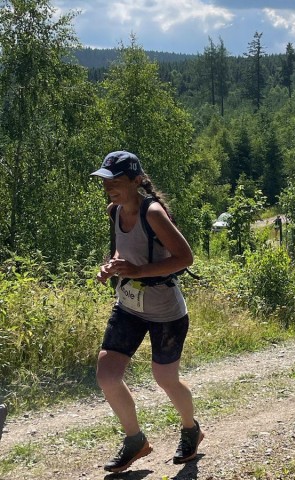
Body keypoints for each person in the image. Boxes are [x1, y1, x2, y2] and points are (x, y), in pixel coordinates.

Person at [91, 151, 204, 473]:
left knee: (165, 379)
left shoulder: (152, 212)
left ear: (136, 181)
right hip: (128, 306)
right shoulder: (114, 211)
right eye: (105, 181)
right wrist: (113, 266)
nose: (109, 187)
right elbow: (124, 250)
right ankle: (134, 440)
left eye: (116, 181)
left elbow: (185, 258)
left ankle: (190, 429)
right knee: (107, 375)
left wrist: (137, 272)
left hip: (166, 311)